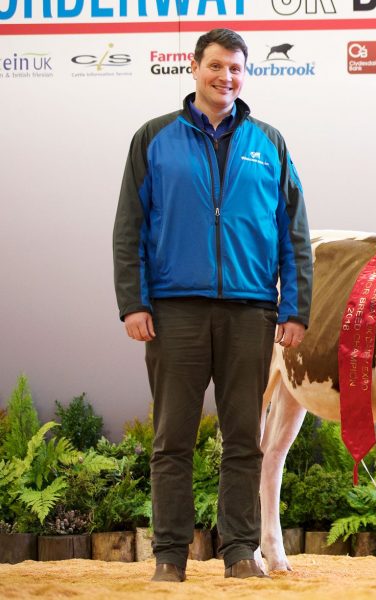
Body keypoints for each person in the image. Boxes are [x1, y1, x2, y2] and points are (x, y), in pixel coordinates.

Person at [112, 28, 313, 582]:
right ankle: (169, 556)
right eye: (216, 66)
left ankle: (241, 551)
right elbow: (129, 226)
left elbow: (293, 232)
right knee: (172, 439)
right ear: (195, 67)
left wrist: (294, 309)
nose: (226, 77)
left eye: (236, 68)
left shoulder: (269, 143)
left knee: (244, 439)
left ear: (245, 75)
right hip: (174, 311)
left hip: (251, 312)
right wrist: (133, 302)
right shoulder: (154, 137)